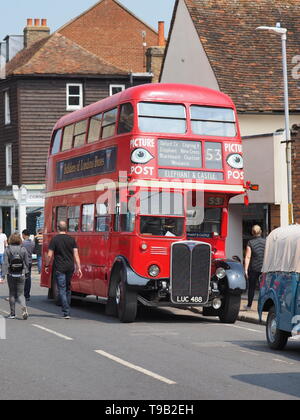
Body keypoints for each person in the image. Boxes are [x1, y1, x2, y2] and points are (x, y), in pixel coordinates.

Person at [45, 221, 82, 319]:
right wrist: (79, 267)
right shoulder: (72, 240)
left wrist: (46, 265)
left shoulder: (55, 240)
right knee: (68, 288)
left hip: (59, 267)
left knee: (61, 289)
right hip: (70, 267)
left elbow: (49, 255)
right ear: (66, 228)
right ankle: (67, 308)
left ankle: (66, 311)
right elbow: (76, 254)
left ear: (58, 228)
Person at [2, 233, 29, 319]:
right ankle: (24, 307)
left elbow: (5, 263)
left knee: (12, 293)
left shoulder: (7, 249)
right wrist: (26, 271)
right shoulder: (23, 249)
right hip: (21, 273)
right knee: (21, 294)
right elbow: (27, 262)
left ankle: (12, 314)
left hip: (11, 274)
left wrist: (3, 275)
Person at [244, 225, 266, 310]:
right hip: (264, 268)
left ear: (252, 232)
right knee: (263, 287)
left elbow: (248, 257)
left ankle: (249, 305)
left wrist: (245, 269)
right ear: (260, 232)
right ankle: (262, 306)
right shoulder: (266, 241)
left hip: (253, 268)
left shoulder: (250, 243)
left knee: (252, 287)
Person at [22, 229, 35, 301]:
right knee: (28, 278)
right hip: (29, 262)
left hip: (23, 262)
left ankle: (21, 294)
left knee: (21, 278)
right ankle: (27, 295)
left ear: (23, 235)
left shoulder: (22, 243)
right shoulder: (32, 243)